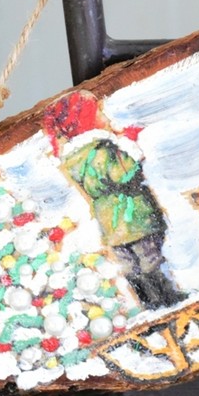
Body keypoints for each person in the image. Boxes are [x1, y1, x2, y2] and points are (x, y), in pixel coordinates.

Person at [42, 90, 184, 309]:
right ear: (86, 120)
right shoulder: (102, 150)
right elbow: (124, 174)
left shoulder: (75, 158)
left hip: (111, 226)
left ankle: (149, 302)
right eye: (99, 112)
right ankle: (167, 298)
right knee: (150, 259)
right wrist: (129, 145)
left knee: (130, 265)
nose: (106, 117)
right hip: (133, 218)